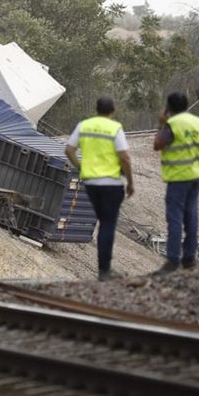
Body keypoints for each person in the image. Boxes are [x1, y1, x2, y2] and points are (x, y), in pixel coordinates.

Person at [65, 96, 134, 282]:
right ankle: (105, 271)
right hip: (111, 184)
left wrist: (81, 167)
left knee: (102, 222)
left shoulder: (84, 125)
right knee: (107, 225)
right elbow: (125, 157)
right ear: (113, 110)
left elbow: (69, 150)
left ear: (96, 109)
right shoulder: (115, 128)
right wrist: (131, 181)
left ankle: (105, 270)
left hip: (91, 184)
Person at [153, 91, 199, 274]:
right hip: (195, 176)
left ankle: (172, 260)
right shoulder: (196, 121)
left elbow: (157, 144)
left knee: (175, 218)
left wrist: (161, 124)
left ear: (169, 108)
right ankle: (189, 259)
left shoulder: (172, 124)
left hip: (178, 178)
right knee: (191, 216)